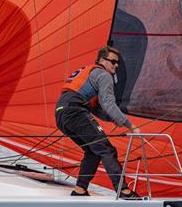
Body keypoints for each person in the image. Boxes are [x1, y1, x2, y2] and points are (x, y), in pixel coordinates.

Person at [55, 45, 140, 198]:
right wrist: (130, 125)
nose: (116, 65)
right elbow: (108, 103)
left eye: (117, 62)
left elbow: (97, 109)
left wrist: (113, 118)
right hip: (75, 111)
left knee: (93, 151)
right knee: (106, 149)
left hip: (61, 113)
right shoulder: (103, 75)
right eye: (113, 62)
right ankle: (123, 191)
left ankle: (80, 190)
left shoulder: (90, 71)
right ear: (102, 60)